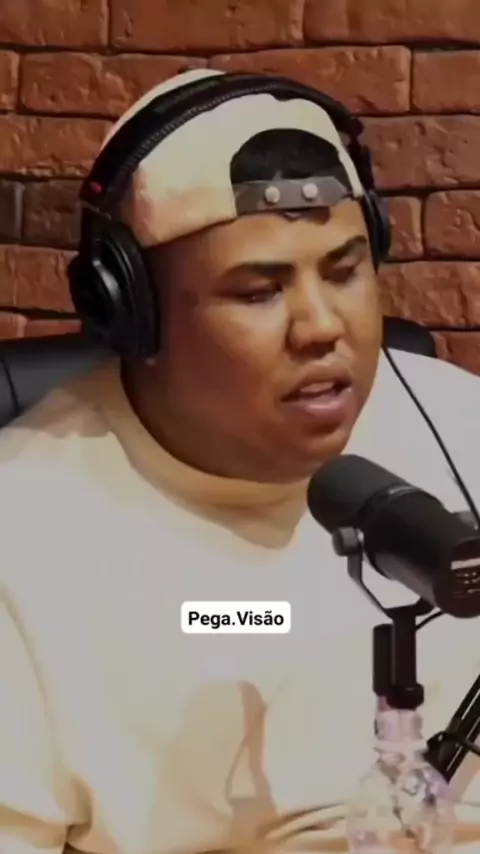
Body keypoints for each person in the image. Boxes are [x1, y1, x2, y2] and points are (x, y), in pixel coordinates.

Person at [0, 67, 480, 854]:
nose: (321, 326)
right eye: (259, 291)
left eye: (345, 270)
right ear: (134, 313)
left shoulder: (460, 423)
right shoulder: (23, 540)